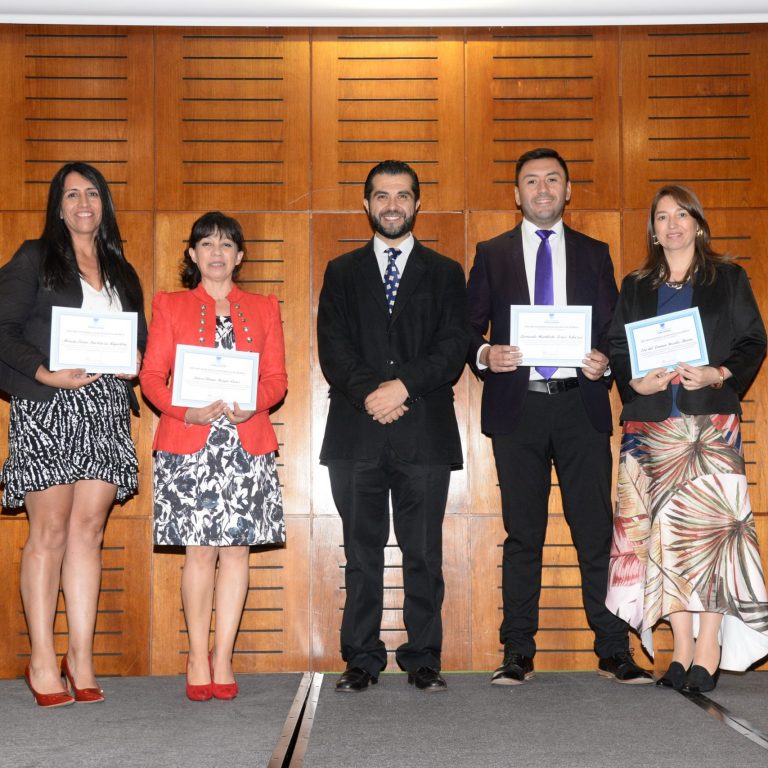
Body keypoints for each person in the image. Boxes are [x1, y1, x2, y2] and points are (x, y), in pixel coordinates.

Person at [467, 147, 652, 686]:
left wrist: (604, 361)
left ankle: (613, 650)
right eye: (531, 181)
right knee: (523, 535)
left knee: (595, 533)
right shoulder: (492, 253)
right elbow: (465, 327)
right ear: (516, 193)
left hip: (579, 405)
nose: (542, 189)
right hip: (518, 407)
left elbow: (614, 331)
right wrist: (486, 354)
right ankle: (517, 651)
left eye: (553, 180)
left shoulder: (595, 253)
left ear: (568, 191)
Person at [606, 184, 768, 692]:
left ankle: (708, 646)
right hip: (649, 429)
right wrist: (634, 381)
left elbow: (753, 341)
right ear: (653, 230)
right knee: (663, 539)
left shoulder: (728, 278)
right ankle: (679, 649)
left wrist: (719, 372)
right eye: (661, 217)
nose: (671, 224)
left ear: (697, 224)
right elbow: (616, 346)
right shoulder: (636, 285)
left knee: (712, 538)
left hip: (709, 428)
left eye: (681, 215)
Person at [317, 160, 469, 693]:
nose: (392, 205)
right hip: (355, 433)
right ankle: (361, 657)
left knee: (423, 553)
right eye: (381, 195)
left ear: (417, 204)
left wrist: (402, 387)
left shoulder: (446, 272)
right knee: (361, 554)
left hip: (423, 431)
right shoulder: (340, 271)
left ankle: (423, 657)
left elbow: (453, 346)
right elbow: (332, 347)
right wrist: (372, 394)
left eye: (402, 195)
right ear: (366, 204)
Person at [0, 162, 146, 707]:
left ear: (104, 204)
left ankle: (80, 657)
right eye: (72, 195)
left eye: (92, 194)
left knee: (89, 531)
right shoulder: (34, 257)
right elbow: (2, 329)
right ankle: (42, 659)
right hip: (48, 404)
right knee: (50, 531)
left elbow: (139, 339)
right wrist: (43, 373)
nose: (84, 203)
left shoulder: (120, 268)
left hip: (104, 408)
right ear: (58, 207)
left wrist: (136, 359)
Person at [139, 211, 286, 702]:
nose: (216, 252)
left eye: (226, 244)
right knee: (199, 552)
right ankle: (197, 657)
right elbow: (151, 378)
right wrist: (188, 411)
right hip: (189, 443)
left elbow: (277, 379)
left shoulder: (263, 308)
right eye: (207, 244)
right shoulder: (171, 305)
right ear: (192, 254)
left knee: (237, 552)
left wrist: (254, 404)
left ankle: (224, 656)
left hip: (246, 443)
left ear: (239, 256)